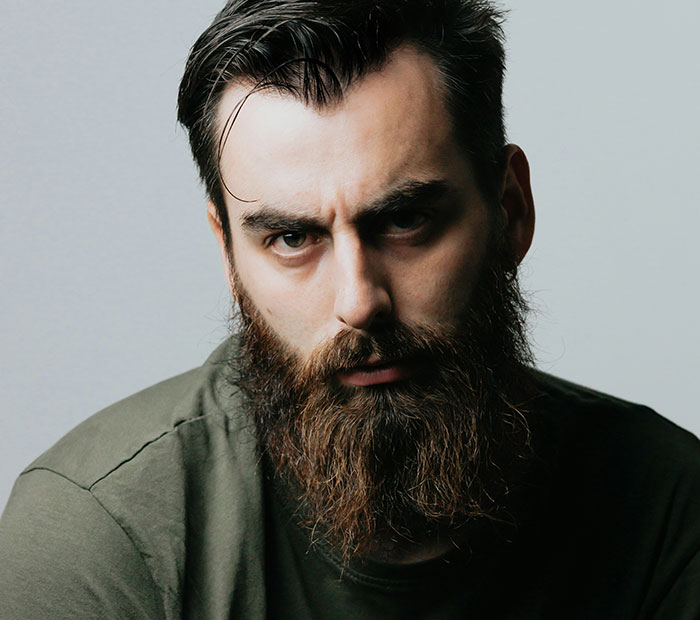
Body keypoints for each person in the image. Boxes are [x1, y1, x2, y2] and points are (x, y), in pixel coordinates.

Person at [1, 0, 698, 618]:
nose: (359, 301)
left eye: (405, 220)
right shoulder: (99, 535)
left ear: (510, 210)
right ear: (229, 254)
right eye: (292, 238)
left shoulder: (668, 508)